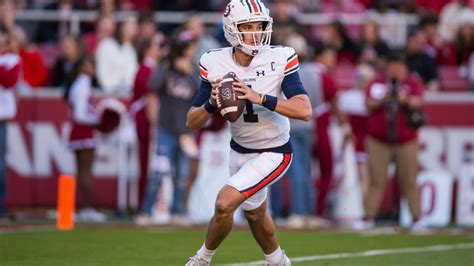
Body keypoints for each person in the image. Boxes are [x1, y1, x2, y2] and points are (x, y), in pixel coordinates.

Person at [185, 1, 312, 265]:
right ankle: (278, 261)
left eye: (260, 26)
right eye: (247, 27)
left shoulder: (280, 57)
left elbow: (304, 110)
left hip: (275, 150)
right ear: (232, 29)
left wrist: (259, 97)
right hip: (239, 150)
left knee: (223, 203)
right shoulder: (213, 61)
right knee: (255, 214)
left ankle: (201, 259)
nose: (255, 33)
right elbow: (192, 121)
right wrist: (212, 102)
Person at [136, 29, 199, 225]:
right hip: (166, 129)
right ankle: (145, 212)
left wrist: (190, 72)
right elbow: (152, 88)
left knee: (181, 176)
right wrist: (167, 63)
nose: (191, 49)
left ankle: (177, 213)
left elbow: (205, 94)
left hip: (186, 130)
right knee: (158, 173)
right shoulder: (166, 67)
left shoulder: (195, 69)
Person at [362, 51, 425, 231]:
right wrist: (384, 98)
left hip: (406, 140)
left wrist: (403, 99)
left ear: (404, 68)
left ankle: (416, 217)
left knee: (409, 179)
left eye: (398, 68)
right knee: (376, 180)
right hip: (378, 140)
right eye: (392, 68)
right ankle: (368, 217)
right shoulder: (377, 82)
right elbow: (368, 104)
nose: (395, 71)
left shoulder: (412, 82)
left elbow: (418, 103)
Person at [64, 57, 106, 222]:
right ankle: (87, 208)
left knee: (81, 171)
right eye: (89, 64)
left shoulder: (79, 84)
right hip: (83, 131)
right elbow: (79, 114)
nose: (92, 68)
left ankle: (82, 207)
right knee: (86, 171)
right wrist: (97, 120)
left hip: (79, 131)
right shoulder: (82, 85)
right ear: (82, 68)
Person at [130, 35, 160, 211]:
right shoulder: (145, 70)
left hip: (147, 123)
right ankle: (144, 205)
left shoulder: (149, 69)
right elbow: (149, 100)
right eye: (156, 46)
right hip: (145, 124)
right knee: (146, 166)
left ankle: (149, 204)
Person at [0, 23, 20, 219]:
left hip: (2, 117)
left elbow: (9, 81)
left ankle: (1, 205)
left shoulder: (12, 59)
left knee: (0, 163)